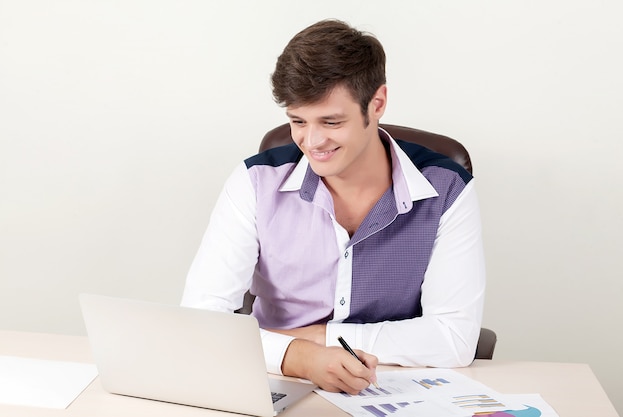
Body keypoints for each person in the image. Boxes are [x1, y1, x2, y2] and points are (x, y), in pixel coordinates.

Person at [181, 19, 485, 394]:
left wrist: (317, 336)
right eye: (297, 121)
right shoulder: (255, 182)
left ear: (377, 104)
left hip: (396, 388)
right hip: (272, 382)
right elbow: (200, 322)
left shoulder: (448, 189)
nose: (313, 141)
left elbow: (454, 337)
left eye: (331, 121)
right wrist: (302, 358)